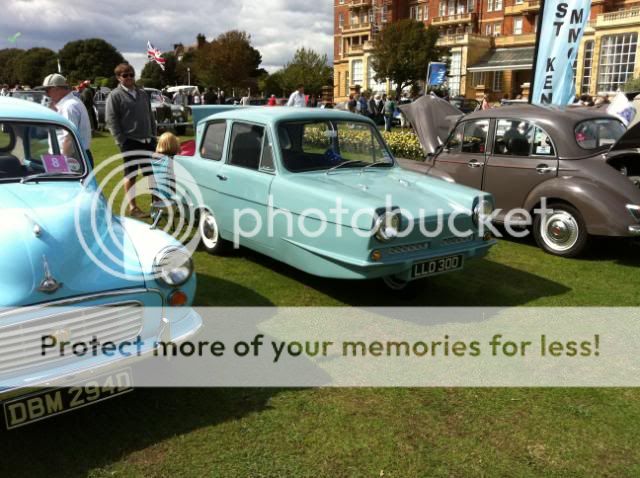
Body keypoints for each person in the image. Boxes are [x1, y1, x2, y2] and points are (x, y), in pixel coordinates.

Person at [105, 63, 157, 219]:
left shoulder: (142, 93)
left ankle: (156, 204)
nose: (129, 77)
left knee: (152, 174)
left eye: (131, 74)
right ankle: (133, 207)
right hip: (130, 141)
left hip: (148, 140)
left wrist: (153, 134)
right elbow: (111, 119)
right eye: (125, 75)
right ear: (118, 77)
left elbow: (150, 115)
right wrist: (121, 140)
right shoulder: (114, 95)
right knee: (131, 175)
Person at [41, 73, 93, 167]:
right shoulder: (68, 103)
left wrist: (62, 165)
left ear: (56, 89)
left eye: (47, 90)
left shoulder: (69, 106)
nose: (46, 94)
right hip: (65, 155)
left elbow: (69, 138)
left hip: (71, 157)